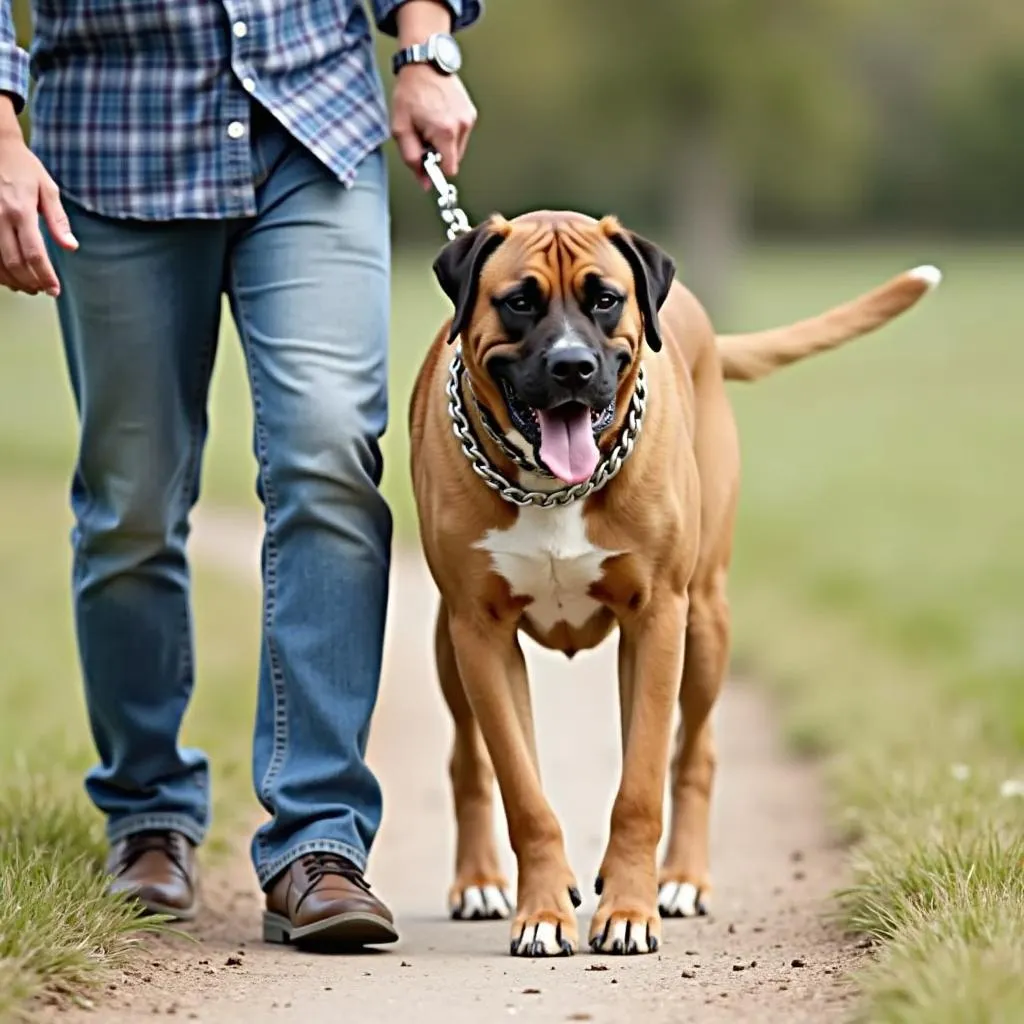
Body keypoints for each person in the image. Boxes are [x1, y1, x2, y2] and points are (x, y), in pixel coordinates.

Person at [0, 0, 480, 950]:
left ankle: (319, 840)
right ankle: (147, 811)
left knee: (330, 450)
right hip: (112, 135)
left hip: (313, 128)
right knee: (131, 499)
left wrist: (424, 44)